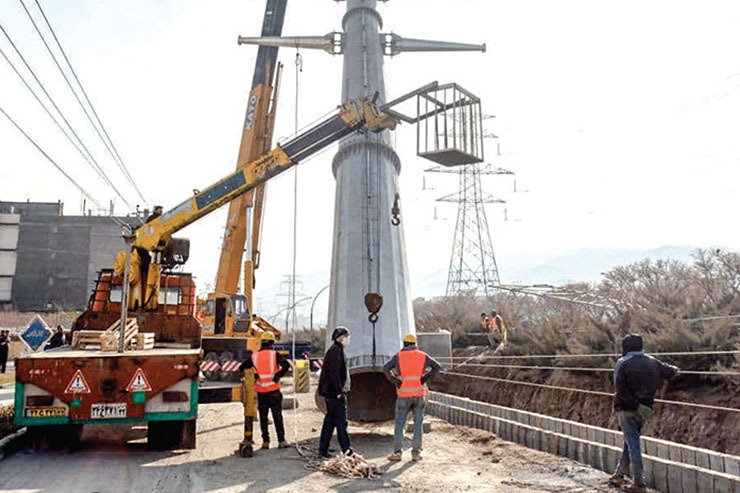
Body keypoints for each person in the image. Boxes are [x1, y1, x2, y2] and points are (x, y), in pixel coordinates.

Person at [609, 334, 678, 492]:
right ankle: (619, 475)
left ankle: (639, 483)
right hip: (645, 411)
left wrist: (635, 404)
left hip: (627, 410)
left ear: (625, 347)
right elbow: (671, 372)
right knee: (630, 442)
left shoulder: (622, 363)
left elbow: (620, 389)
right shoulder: (652, 361)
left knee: (633, 445)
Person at [383, 333, 441, 462]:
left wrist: (395, 380)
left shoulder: (398, 356)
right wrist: (424, 378)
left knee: (399, 424)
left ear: (404, 344)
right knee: (418, 424)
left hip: (404, 394)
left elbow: (386, 368)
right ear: (415, 344)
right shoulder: (422, 355)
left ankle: (397, 453)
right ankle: (416, 453)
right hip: (419, 394)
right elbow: (437, 366)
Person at [239, 331, 290, 450]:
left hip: (261, 392)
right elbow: (286, 365)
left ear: (261, 343)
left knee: (263, 418)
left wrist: (255, 376)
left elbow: (242, 367)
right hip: (274, 391)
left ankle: (265, 442)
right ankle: (281, 441)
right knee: (277, 417)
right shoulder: (275, 355)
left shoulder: (254, 356)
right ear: (272, 343)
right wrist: (277, 376)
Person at [317, 326, 353, 458]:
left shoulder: (336, 350)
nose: (348, 339)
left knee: (330, 421)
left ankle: (323, 449)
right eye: (346, 336)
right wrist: (338, 391)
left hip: (332, 392)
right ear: (340, 337)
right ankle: (347, 450)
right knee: (341, 422)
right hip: (335, 393)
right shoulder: (335, 352)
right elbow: (334, 374)